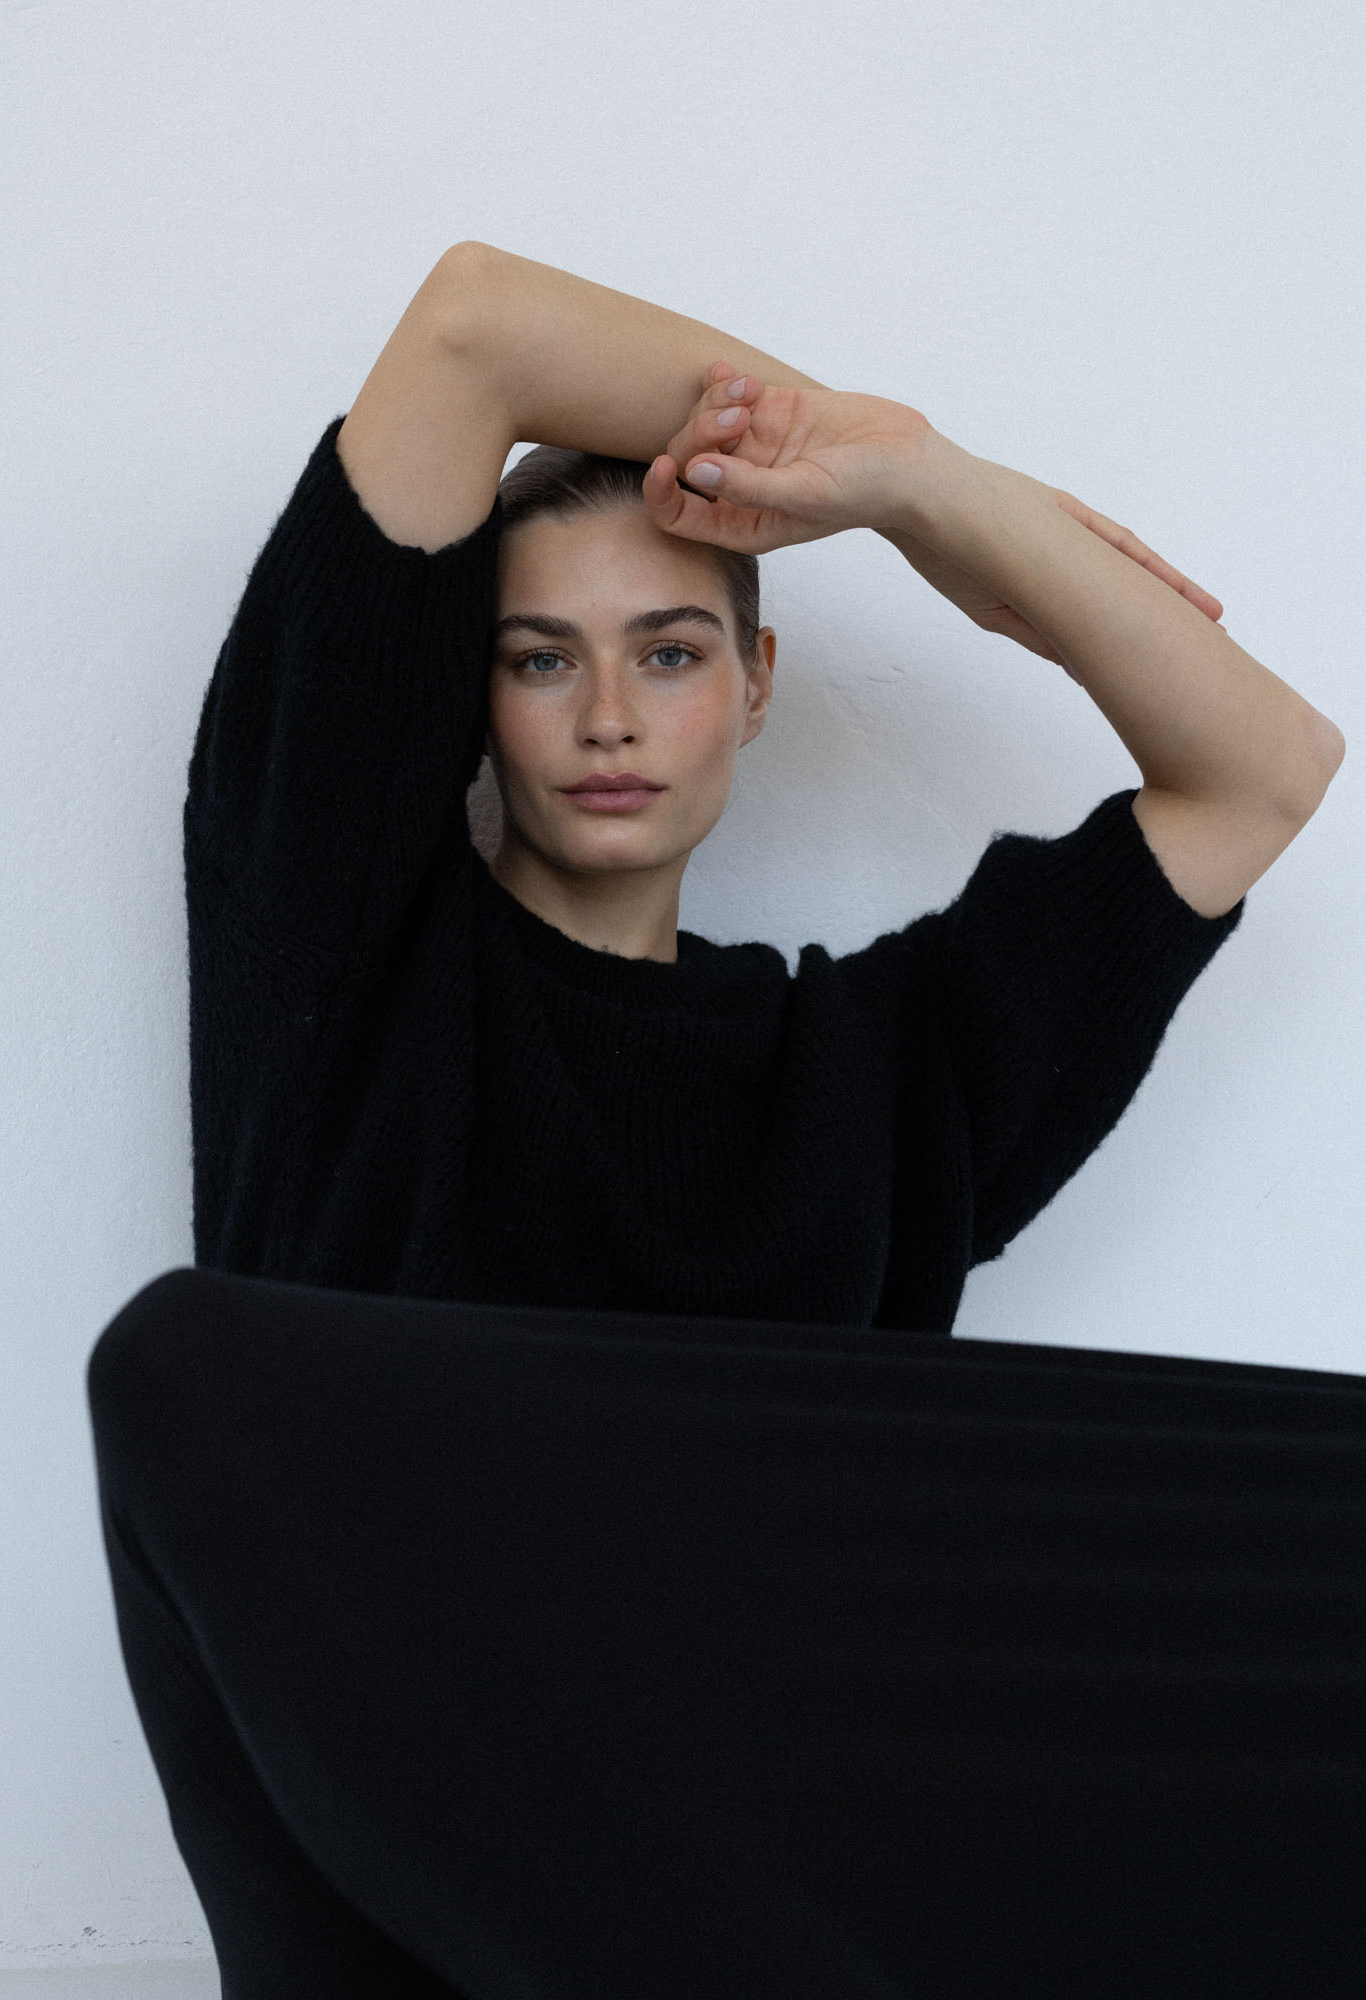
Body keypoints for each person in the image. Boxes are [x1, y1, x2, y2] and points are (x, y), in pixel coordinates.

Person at [86, 243, 1361, 1997]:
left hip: (791, 1854)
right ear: (469, 696)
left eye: (670, 652)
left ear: (755, 686)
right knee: (183, 1363)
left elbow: (1266, 768)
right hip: (427, 1858)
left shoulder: (879, 1076)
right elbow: (470, 329)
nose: (609, 717)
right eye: (539, 658)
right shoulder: (341, 954)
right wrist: (846, 439)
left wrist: (927, 491)